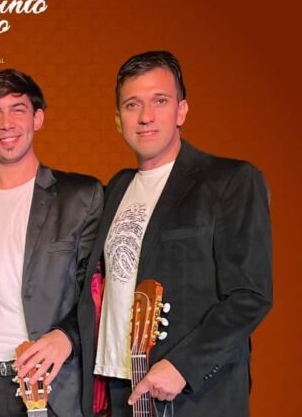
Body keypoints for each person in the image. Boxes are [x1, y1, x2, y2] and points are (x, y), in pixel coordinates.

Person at [78, 50, 272, 416]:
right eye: (132, 105)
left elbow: (250, 295)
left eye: (160, 101)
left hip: (190, 394)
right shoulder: (116, 187)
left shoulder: (230, 180)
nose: (146, 116)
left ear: (181, 111)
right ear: (118, 119)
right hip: (118, 387)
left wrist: (183, 366)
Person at [0, 69, 103, 416]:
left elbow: (99, 290)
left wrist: (67, 337)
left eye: (18, 109)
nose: (6, 123)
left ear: (37, 118)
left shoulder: (81, 196)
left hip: (55, 382)